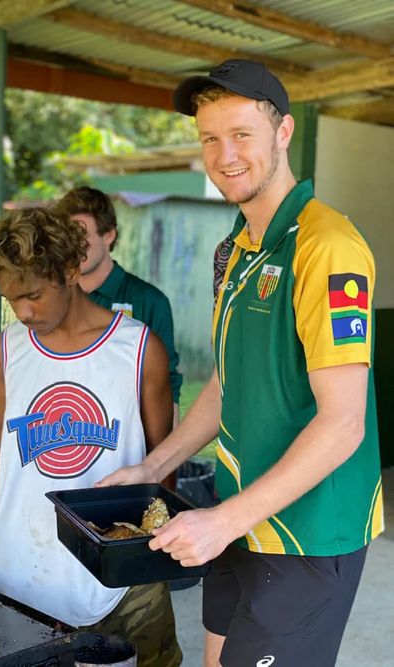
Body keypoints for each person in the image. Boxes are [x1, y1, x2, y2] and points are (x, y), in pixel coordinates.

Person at [97, 59, 383, 667]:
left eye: (241, 134)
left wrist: (224, 521)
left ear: (283, 133)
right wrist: (153, 467)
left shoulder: (326, 246)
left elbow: (344, 424)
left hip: (306, 532)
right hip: (237, 513)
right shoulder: (237, 247)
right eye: (210, 138)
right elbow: (226, 383)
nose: (224, 156)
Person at [0, 207, 182, 667]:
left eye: (33, 295)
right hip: (19, 572)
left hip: (114, 587)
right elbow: (6, 448)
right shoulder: (7, 348)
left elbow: (164, 472)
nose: (22, 312)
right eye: (11, 299)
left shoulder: (140, 350)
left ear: (69, 271)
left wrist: (137, 555)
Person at [56, 186, 182, 424]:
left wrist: (168, 446)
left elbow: (168, 384)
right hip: (61, 430)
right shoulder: (52, 298)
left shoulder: (149, 301)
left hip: (127, 433)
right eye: (67, 238)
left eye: (82, 236)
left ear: (109, 236)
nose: (73, 247)